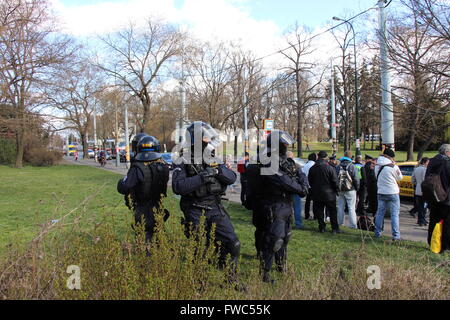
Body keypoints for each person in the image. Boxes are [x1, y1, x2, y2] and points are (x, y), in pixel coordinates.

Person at [171, 121, 241, 280]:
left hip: (215, 207)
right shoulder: (182, 160)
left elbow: (231, 177)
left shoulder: (212, 157)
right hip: (194, 209)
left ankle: (231, 279)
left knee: (232, 243)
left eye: (209, 139)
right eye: (205, 139)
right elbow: (178, 186)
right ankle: (199, 282)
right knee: (199, 249)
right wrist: (203, 177)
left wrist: (216, 171)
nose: (209, 142)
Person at [256, 130, 308, 283]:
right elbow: (283, 181)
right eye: (284, 144)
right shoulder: (268, 161)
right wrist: (300, 188)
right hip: (274, 204)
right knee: (274, 240)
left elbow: (301, 173)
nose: (286, 146)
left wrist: (303, 185)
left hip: (287, 204)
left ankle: (281, 267)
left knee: (285, 238)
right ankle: (264, 273)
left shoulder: (287, 161)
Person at [117, 136, 170, 246]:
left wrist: (121, 181)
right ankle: (162, 259)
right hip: (158, 205)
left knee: (144, 239)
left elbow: (123, 187)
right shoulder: (164, 165)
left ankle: (146, 260)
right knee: (160, 236)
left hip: (142, 208)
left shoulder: (138, 168)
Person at [425, 144, 450, 252]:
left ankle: (432, 243)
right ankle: (444, 246)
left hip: (433, 196)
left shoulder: (432, 161)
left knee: (433, 221)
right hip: (445, 198)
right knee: (447, 223)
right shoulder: (447, 162)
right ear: (446, 152)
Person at [374, 148, 403, 241]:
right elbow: (400, 178)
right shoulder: (393, 166)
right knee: (394, 214)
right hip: (393, 192)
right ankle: (396, 235)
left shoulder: (377, 165)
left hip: (381, 192)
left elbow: (376, 177)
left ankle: (377, 233)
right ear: (391, 157)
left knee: (380, 213)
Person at [308, 151, 340, 234]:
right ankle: (334, 228)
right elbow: (335, 181)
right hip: (329, 193)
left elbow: (310, 181)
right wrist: (336, 190)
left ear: (318, 157)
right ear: (326, 158)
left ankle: (321, 227)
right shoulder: (329, 168)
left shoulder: (313, 168)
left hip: (317, 193)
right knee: (332, 212)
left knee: (320, 211)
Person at [335, 151, 360, 229]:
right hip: (350, 189)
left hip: (340, 189)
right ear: (351, 157)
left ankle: (340, 223)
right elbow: (356, 179)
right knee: (351, 208)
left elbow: (335, 178)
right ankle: (353, 225)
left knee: (340, 207)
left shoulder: (338, 166)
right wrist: (357, 188)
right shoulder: (352, 166)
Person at [287, 151, 303, 229]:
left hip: (286, 189)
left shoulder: (281, 166)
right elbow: (301, 177)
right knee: (297, 208)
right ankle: (298, 224)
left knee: (287, 207)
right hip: (295, 189)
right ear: (292, 157)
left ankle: (287, 223)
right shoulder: (297, 166)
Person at [411, 157, 429, 226]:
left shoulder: (416, 169)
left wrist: (417, 183)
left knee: (420, 205)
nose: (428, 164)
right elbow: (426, 180)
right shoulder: (425, 170)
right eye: (428, 162)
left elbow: (412, 180)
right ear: (424, 162)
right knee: (424, 206)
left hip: (418, 189)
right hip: (424, 189)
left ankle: (420, 219)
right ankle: (422, 220)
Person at [302, 153, 317, 220]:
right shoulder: (315, 165)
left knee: (307, 201)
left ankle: (306, 215)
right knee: (315, 202)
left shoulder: (305, 165)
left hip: (307, 185)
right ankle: (315, 216)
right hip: (314, 185)